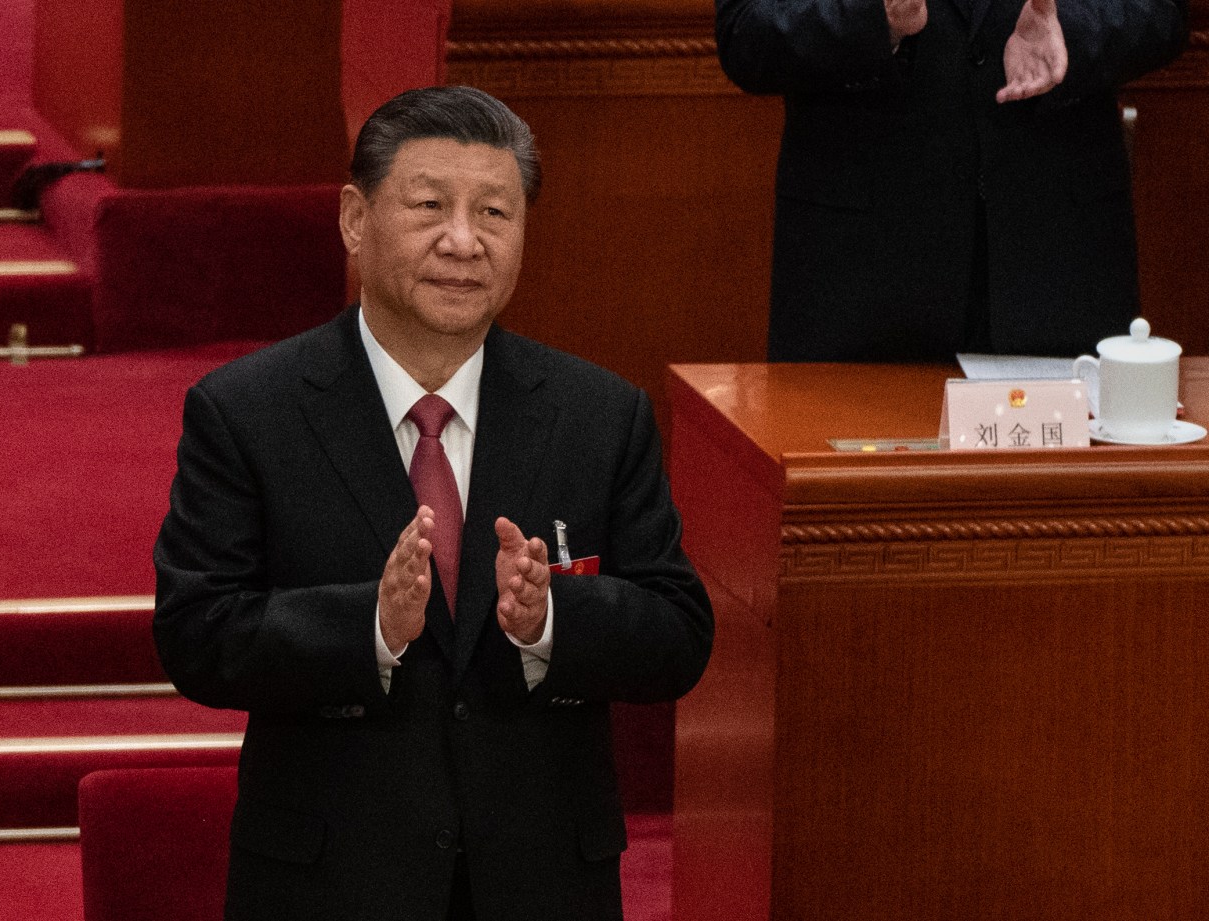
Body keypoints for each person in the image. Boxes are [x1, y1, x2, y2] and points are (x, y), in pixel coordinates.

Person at [152, 85, 714, 921]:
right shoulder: (248, 412)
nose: (464, 240)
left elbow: (678, 633)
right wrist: (371, 627)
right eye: (429, 206)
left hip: (542, 884)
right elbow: (196, 635)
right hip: (329, 886)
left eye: (494, 211)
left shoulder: (599, 415)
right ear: (354, 219)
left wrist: (551, 619)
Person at [714, 0, 1189, 362]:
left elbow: (1161, 10)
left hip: (1056, 268)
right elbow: (747, 29)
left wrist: (1070, 29)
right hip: (861, 288)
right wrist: (874, 19)